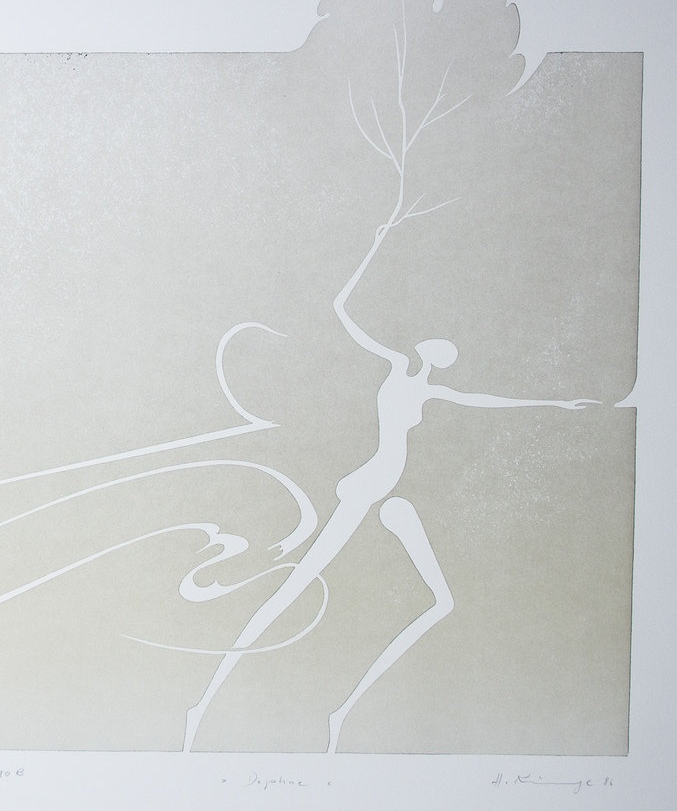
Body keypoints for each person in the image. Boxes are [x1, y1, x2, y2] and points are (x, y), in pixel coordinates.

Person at [182, 224, 597, 752]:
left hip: (385, 491)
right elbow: (341, 308)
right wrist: (379, 238)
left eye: (444, 350)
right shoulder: (399, 367)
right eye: (440, 345)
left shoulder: (428, 388)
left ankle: (327, 713)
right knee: (296, 587)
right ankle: (205, 704)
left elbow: (483, 400)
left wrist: (557, 404)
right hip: (371, 484)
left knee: (424, 597)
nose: (440, 351)